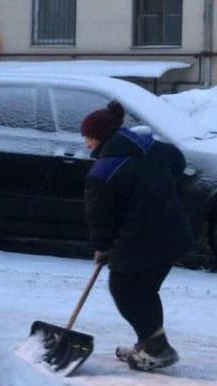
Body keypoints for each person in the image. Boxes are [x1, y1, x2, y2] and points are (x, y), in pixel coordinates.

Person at [80, 101, 193, 372]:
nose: (86, 144)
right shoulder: (150, 148)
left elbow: (100, 218)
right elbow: (178, 159)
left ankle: (158, 350)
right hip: (173, 234)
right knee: (143, 290)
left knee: (125, 289)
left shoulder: (103, 171)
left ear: (102, 138)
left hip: (142, 240)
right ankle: (149, 343)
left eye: (88, 138)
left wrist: (103, 247)